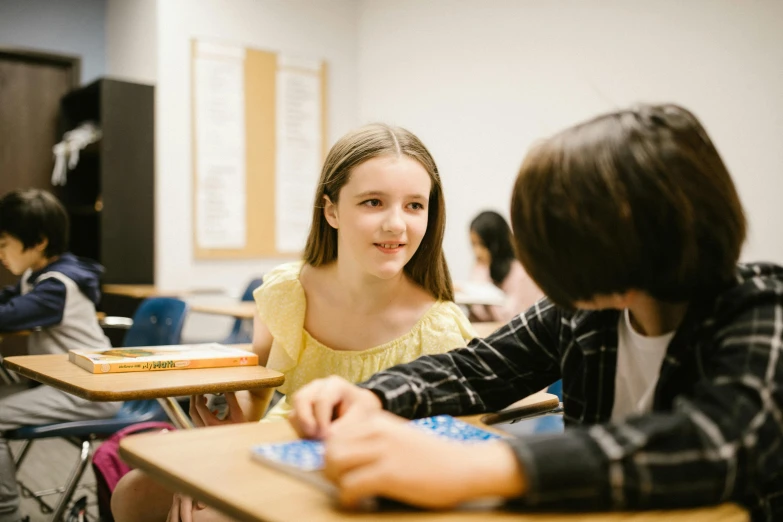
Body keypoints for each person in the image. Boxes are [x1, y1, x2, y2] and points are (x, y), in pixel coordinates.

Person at [288, 104, 783, 521]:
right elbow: (474, 369)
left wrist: (480, 468)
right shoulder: (584, 313)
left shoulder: (761, 308)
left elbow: (719, 443)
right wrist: (371, 396)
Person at [111, 123, 476, 522]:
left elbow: (444, 453)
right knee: (132, 495)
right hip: (278, 450)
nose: (396, 224)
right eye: (373, 202)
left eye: (414, 205)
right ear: (331, 210)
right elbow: (258, 395)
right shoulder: (289, 291)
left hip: (364, 481)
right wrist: (213, 446)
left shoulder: (438, 328)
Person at [0, 189, 119, 522]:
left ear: (37, 242)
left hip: (90, 389)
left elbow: (7, 314)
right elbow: (7, 301)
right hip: (64, 383)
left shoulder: (57, 286)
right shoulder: (34, 277)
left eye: (3, 244)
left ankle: (6, 512)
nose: (0, 254)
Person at [467, 210, 542, 322]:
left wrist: (486, 294)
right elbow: (477, 312)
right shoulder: (482, 267)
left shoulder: (520, 273)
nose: (476, 251)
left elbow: (511, 318)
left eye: (481, 244)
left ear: (496, 244)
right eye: (473, 244)